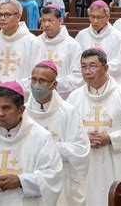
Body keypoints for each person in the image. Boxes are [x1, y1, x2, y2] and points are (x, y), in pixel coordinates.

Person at [68, 47, 121, 205]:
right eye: (83, 66)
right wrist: (83, 138)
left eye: (93, 66)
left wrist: (109, 138)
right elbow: (66, 134)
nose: (87, 71)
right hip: (86, 163)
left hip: (114, 161)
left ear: (106, 68)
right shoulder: (74, 98)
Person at [26, 61, 90, 205]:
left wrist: (49, 147)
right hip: (30, 176)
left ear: (54, 85)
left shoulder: (68, 112)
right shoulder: (22, 112)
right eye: (34, 79)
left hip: (61, 179)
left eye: (42, 81)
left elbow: (81, 149)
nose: (36, 85)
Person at [0, 0, 41, 125]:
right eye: (0, 14)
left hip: (20, 102)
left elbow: (36, 76)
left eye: (7, 15)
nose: (2, 18)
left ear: (18, 16)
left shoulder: (33, 43)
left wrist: (13, 88)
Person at [75, 0, 121, 83]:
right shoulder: (82, 35)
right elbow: (76, 60)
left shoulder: (117, 36)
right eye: (92, 17)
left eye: (99, 17)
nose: (95, 21)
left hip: (110, 82)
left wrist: (99, 70)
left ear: (107, 17)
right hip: (86, 81)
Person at [38, 4, 84, 99]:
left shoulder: (72, 45)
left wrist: (53, 85)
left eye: (50, 20)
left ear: (60, 21)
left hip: (63, 97)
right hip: (38, 95)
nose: (46, 24)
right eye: (43, 20)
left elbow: (77, 76)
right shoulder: (35, 43)